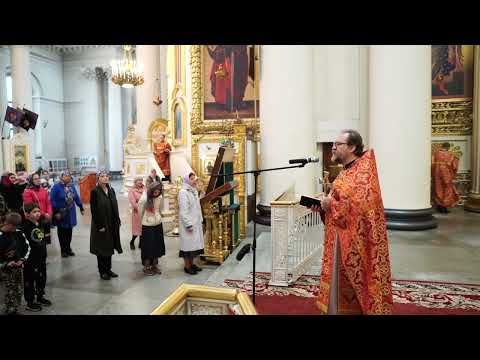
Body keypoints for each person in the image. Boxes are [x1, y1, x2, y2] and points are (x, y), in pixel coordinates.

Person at [310, 129, 393, 315]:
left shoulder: (362, 173)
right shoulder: (346, 172)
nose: (332, 148)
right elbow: (340, 202)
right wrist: (323, 205)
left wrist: (330, 204)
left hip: (356, 243)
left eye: (337, 144)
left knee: (353, 284)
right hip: (338, 238)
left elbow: (361, 207)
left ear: (352, 147)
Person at [89, 170, 122, 280]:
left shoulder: (111, 190)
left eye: (106, 176)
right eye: (102, 176)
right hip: (101, 224)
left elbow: (115, 206)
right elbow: (94, 210)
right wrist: (100, 226)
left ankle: (108, 269)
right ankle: (102, 271)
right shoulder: (95, 191)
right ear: (98, 178)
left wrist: (117, 219)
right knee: (101, 248)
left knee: (109, 247)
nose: (105, 178)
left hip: (111, 223)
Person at [22, 203, 51, 311]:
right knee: (30, 279)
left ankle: (40, 296)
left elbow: (44, 239)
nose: (38, 213)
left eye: (38, 211)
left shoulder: (41, 224)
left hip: (41, 256)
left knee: (41, 277)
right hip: (30, 259)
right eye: (34, 212)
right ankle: (30, 301)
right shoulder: (25, 227)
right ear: (27, 214)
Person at [0, 212, 30, 315]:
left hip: (17, 267)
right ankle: (10, 310)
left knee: (18, 289)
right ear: (8, 224)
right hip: (5, 269)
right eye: (14, 227)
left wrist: (22, 259)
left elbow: (26, 246)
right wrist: (5, 264)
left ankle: (15, 308)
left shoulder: (17, 232)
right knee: (9, 291)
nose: (15, 230)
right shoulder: (1, 237)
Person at [50, 170, 84, 258]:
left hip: (70, 213)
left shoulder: (71, 186)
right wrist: (56, 211)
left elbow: (76, 196)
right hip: (61, 212)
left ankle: (68, 248)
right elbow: (52, 200)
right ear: (61, 177)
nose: (68, 177)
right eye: (65, 176)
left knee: (69, 232)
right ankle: (63, 250)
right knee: (62, 232)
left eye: (69, 176)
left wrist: (80, 206)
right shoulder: (56, 187)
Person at [178, 172, 204, 275]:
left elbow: (196, 206)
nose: (194, 180)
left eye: (194, 178)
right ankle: (187, 266)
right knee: (187, 246)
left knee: (193, 246)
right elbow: (184, 210)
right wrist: (188, 224)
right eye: (192, 179)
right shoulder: (183, 192)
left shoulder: (192, 191)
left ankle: (192, 264)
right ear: (187, 180)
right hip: (188, 224)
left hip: (195, 222)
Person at [138, 182, 165, 276]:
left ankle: (154, 265)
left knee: (157, 245)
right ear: (151, 189)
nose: (157, 193)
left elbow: (160, 209)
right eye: (155, 191)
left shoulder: (160, 197)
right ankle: (146, 267)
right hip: (147, 225)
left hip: (157, 224)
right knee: (148, 247)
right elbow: (140, 212)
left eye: (159, 191)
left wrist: (159, 217)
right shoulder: (144, 198)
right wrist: (143, 221)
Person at [23, 173, 53, 245]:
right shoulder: (27, 191)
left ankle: (44, 251)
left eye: (38, 178)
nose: (38, 180)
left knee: (45, 239)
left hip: (45, 217)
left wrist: (49, 213)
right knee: (37, 239)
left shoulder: (43, 190)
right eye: (35, 179)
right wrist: (44, 214)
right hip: (35, 218)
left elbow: (48, 203)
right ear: (31, 180)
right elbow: (30, 207)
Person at [431, 142, 459, 214]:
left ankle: (439, 206)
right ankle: (444, 207)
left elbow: (432, 164)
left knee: (438, 189)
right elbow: (455, 166)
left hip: (436, 174)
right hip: (447, 174)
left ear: (442, 146)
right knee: (447, 190)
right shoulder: (451, 155)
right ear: (448, 147)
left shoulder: (435, 154)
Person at [128, 177, 144, 250]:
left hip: (145, 212)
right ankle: (132, 241)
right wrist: (139, 207)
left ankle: (141, 243)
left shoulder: (145, 189)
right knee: (137, 230)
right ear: (135, 182)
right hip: (137, 212)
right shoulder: (132, 191)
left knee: (143, 229)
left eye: (141, 180)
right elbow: (133, 202)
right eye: (139, 181)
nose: (140, 182)